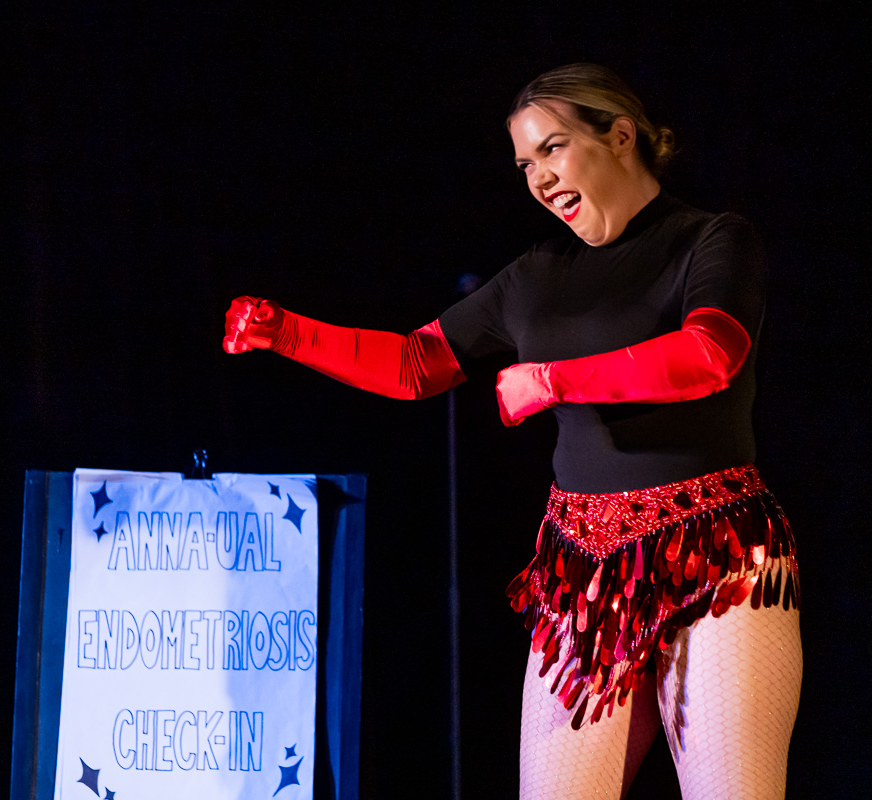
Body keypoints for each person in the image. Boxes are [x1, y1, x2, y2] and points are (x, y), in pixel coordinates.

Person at [223, 63, 802, 800]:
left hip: (717, 557)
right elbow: (415, 362)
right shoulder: (536, 275)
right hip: (586, 574)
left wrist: (556, 378)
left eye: (554, 149)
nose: (538, 177)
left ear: (620, 136)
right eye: (526, 163)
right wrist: (287, 333)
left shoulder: (713, 241)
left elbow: (709, 355)